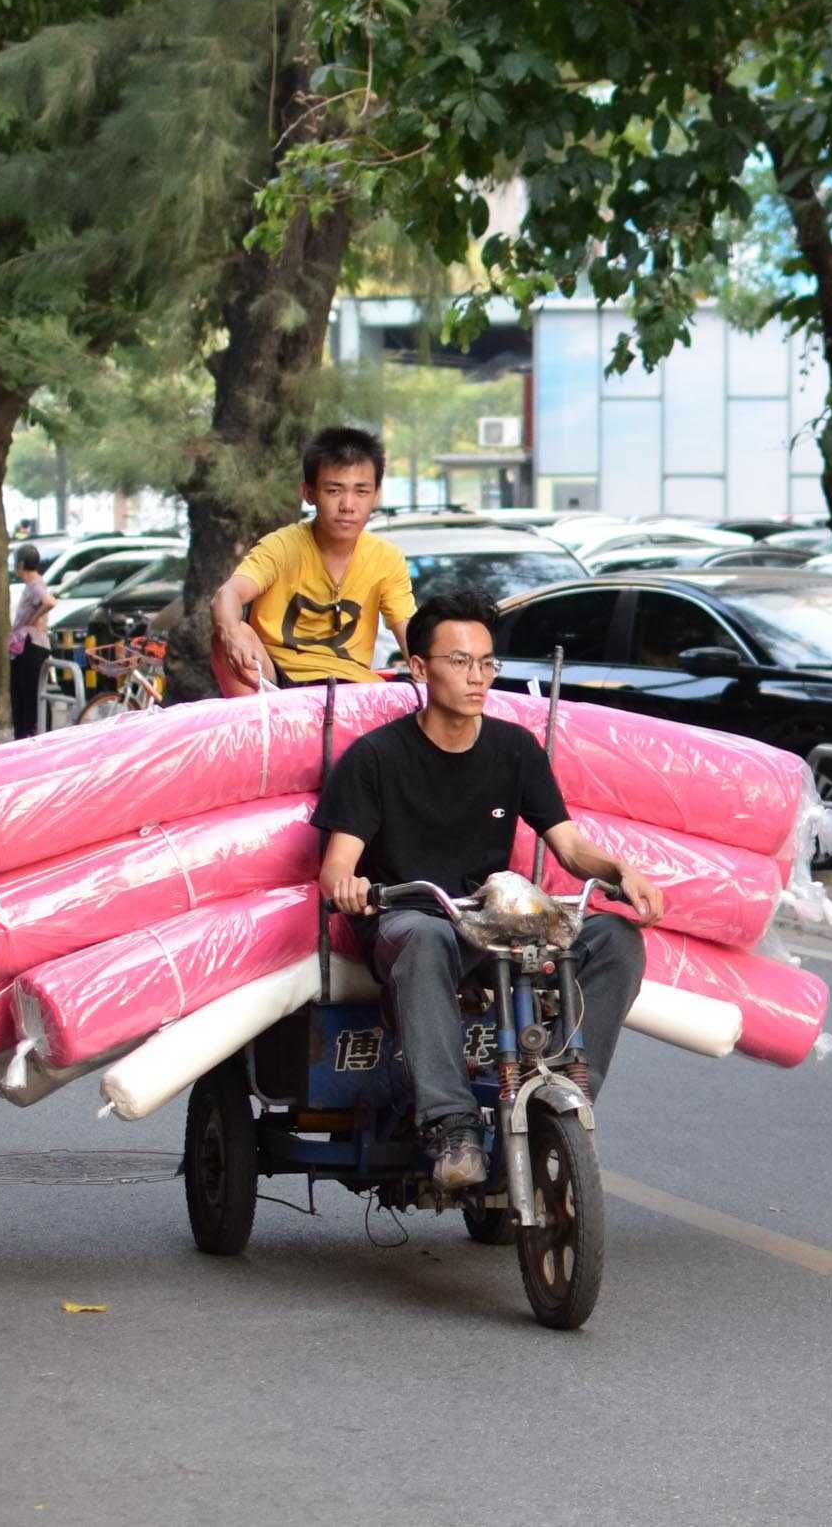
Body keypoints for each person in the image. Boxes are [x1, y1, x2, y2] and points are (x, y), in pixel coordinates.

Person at [313, 588, 665, 1191]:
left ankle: (565, 1088)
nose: (477, 677)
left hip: (493, 923)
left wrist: (619, 871)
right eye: (459, 662)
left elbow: (571, 848)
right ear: (420, 668)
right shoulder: (376, 757)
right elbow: (335, 867)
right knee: (424, 937)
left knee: (615, 940)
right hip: (412, 921)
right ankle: (451, 1125)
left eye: (486, 663)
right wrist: (349, 887)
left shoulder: (514, 749)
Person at [210, 426, 416, 693]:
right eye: (334, 490)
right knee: (225, 635)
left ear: (376, 494)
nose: (348, 505)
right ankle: (259, 728)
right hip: (276, 683)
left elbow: (410, 634)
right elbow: (227, 595)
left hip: (352, 687)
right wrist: (231, 634)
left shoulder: (386, 558)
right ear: (309, 493)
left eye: (361, 492)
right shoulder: (281, 546)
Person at [6, 542, 54, 739]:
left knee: (28, 693)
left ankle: (30, 734)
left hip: (31, 647)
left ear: (21, 564)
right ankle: (31, 733)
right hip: (32, 645)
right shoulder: (34, 583)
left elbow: (49, 602)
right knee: (30, 692)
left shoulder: (34, 584)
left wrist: (32, 620)